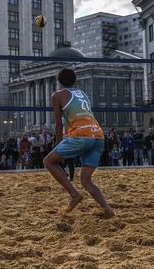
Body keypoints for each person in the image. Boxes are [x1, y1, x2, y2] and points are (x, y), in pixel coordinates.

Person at [43, 68, 114, 218]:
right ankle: (107, 209)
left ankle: (74, 195)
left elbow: (58, 124)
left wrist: (57, 144)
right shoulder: (84, 95)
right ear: (75, 81)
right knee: (86, 180)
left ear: (60, 82)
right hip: (98, 136)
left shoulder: (57, 95)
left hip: (82, 135)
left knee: (48, 161)